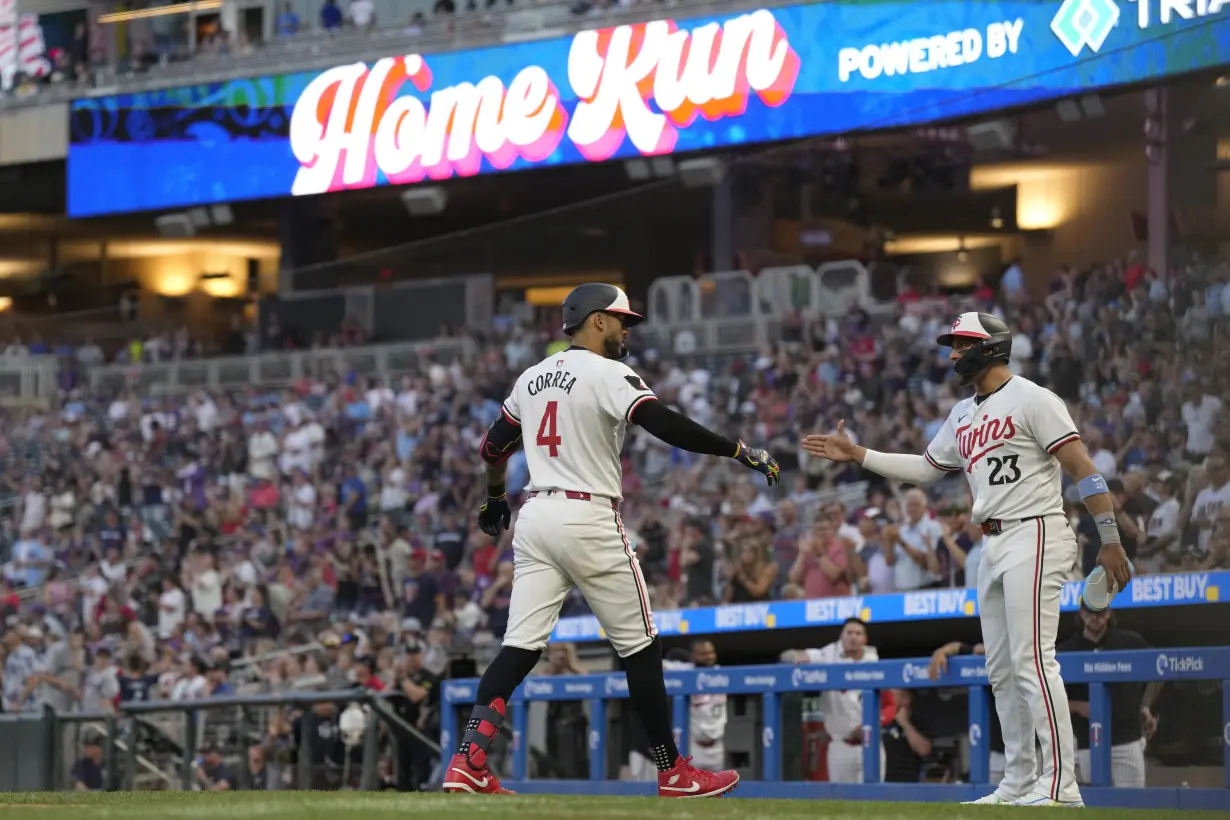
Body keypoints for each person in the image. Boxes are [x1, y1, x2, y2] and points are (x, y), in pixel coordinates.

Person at [442, 283, 779, 798]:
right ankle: (673, 771)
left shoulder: (531, 378)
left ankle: (468, 760)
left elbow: (492, 449)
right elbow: (662, 422)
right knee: (641, 646)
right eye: (623, 320)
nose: (627, 330)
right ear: (597, 320)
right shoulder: (609, 372)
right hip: (587, 514)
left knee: (519, 647)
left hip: (535, 515)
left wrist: (493, 501)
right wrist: (736, 450)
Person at [802, 311, 1133, 808]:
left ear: (992, 348)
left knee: (1032, 662)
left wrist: (1108, 537)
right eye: (953, 345)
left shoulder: (1034, 398)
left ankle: (1061, 786)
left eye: (962, 344)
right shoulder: (962, 413)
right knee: (1000, 669)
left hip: (1036, 528)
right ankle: (1020, 781)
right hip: (992, 542)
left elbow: (1082, 467)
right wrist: (860, 455)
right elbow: (925, 469)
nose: (954, 354)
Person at [1057, 601, 1161, 788]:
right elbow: (1046, 694)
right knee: (1097, 810)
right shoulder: (1066, 650)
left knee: (1131, 807)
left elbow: (1161, 669)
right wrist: (1077, 706)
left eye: (1100, 611)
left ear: (1108, 613)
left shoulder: (1129, 642)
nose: (1095, 617)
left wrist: (1144, 705)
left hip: (1127, 739)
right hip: (1089, 740)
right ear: (1081, 613)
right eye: (1090, 611)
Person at [687, 639, 727, 771]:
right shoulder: (686, 673)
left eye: (711, 653)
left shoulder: (722, 674)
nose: (709, 657)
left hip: (717, 746)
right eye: (703, 654)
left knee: (717, 789)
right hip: (694, 746)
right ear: (693, 656)